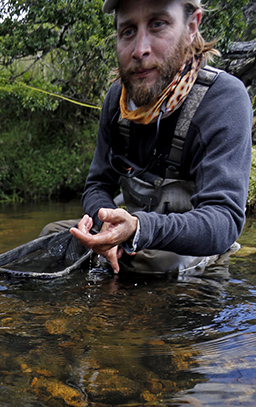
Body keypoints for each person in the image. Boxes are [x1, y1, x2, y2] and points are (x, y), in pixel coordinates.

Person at [67, 0, 253, 276]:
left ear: (191, 27)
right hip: (130, 237)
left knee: (153, 264)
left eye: (157, 25)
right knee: (57, 238)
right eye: (128, 31)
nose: (140, 50)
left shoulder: (224, 99)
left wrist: (139, 229)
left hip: (192, 250)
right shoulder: (116, 100)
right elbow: (97, 185)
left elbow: (224, 220)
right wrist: (104, 225)